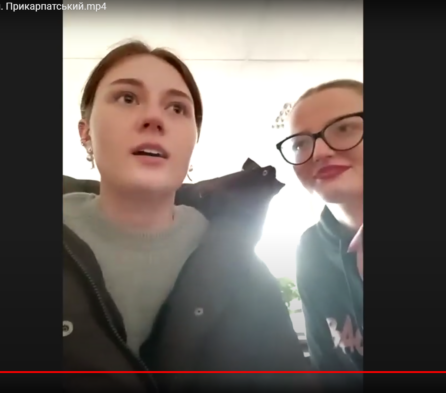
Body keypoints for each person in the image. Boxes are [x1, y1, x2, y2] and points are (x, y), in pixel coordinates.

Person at [62, 41, 314, 392]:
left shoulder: (243, 272)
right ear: (85, 132)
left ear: (193, 143)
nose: (154, 119)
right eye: (127, 98)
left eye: (177, 108)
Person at [275, 80, 364, 383]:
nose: (319, 152)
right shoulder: (311, 249)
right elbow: (328, 370)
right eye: (300, 144)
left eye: (344, 128)